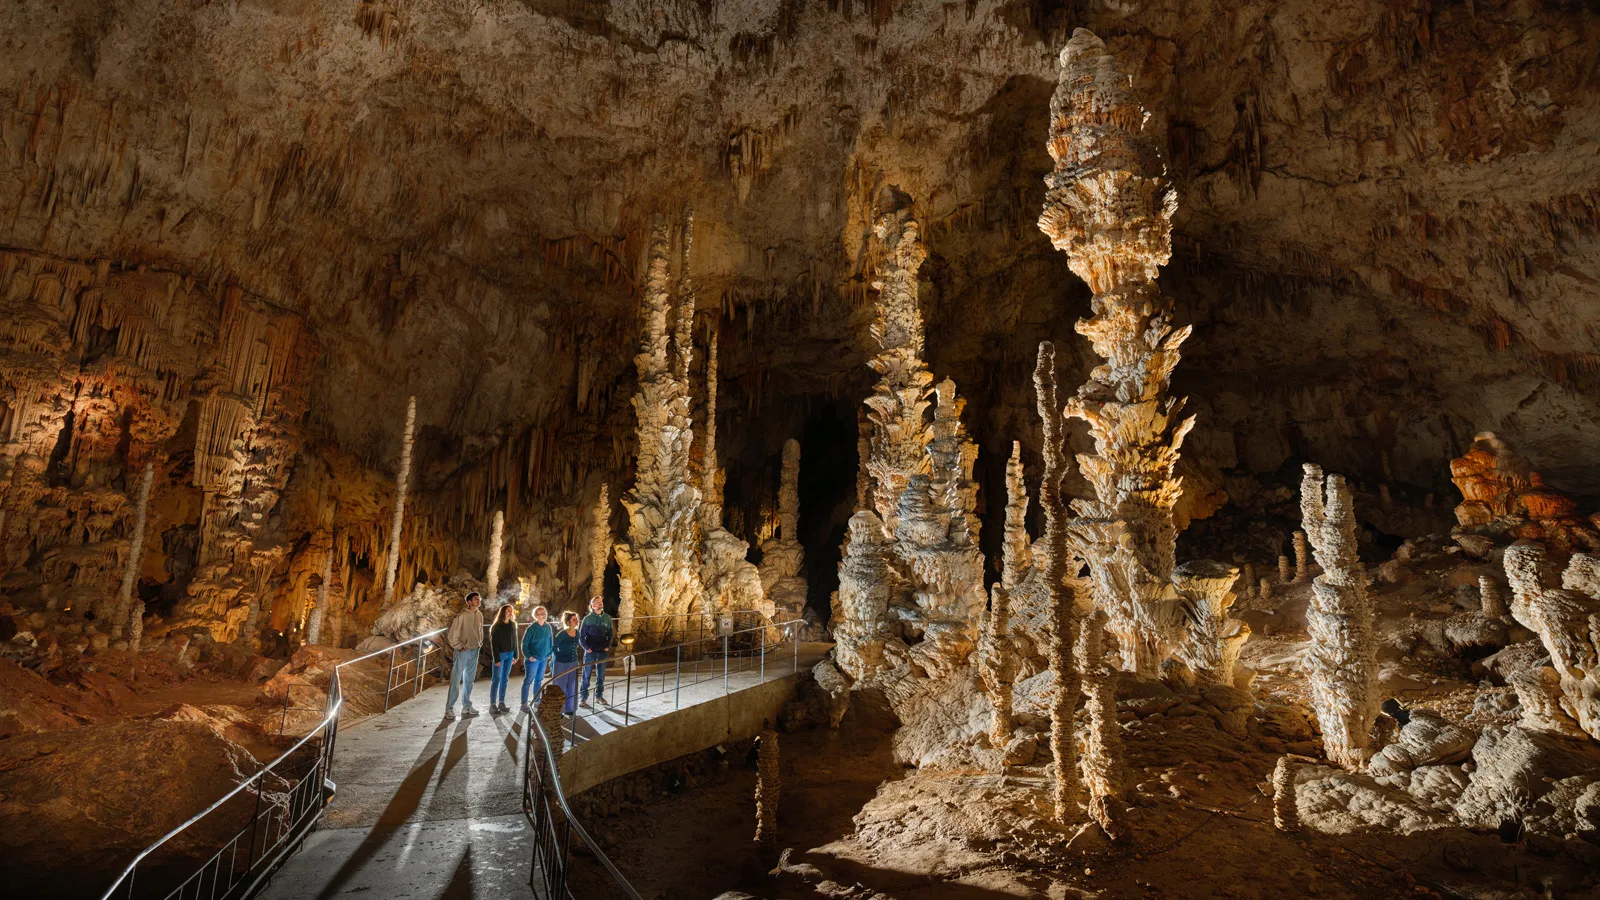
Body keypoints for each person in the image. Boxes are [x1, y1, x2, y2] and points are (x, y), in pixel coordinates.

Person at [443, 592, 484, 720]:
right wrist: (459, 646)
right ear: (469, 602)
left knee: (469, 680)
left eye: (479, 599)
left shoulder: (479, 614)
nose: (478, 601)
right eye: (476, 599)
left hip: (474, 649)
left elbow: (480, 630)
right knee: (456, 679)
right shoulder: (462, 616)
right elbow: (453, 633)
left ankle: (466, 705)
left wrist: (479, 643)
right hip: (463, 651)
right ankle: (449, 708)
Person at [578, 596, 614, 708]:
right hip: (590, 651)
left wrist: (608, 646)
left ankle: (599, 696)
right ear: (593, 605)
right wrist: (587, 648)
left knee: (601, 675)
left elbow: (610, 633)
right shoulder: (587, 619)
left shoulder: (607, 618)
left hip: (602, 651)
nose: (600, 604)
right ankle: (583, 698)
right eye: (598, 603)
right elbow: (581, 636)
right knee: (586, 675)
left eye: (601, 602)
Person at [520, 605, 555, 713]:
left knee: (539, 681)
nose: (544, 615)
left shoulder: (548, 627)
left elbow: (550, 641)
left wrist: (549, 653)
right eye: (541, 613)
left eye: (544, 612)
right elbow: (524, 644)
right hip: (533, 659)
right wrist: (529, 656)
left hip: (543, 659)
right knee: (528, 681)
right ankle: (524, 703)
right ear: (536, 615)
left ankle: (537, 701)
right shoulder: (531, 628)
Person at [488, 604, 520, 716]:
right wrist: (496, 658)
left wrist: (516, 655)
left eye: (511, 610)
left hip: (510, 654)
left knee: (505, 679)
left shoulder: (512, 625)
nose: (510, 612)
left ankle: (501, 702)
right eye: (508, 610)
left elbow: (515, 641)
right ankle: (492, 704)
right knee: (496, 679)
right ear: (503, 612)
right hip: (500, 655)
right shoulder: (496, 626)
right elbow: (494, 644)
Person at [550, 611, 582, 715]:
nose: (576, 620)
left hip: (573, 662)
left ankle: (570, 708)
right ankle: (559, 710)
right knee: (560, 686)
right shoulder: (562, 634)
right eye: (574, 619)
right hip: (561, 663)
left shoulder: (577, 633)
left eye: (576, 618)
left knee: (572, 685)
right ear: (568, 622)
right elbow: (554, 647)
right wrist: (559, 656)